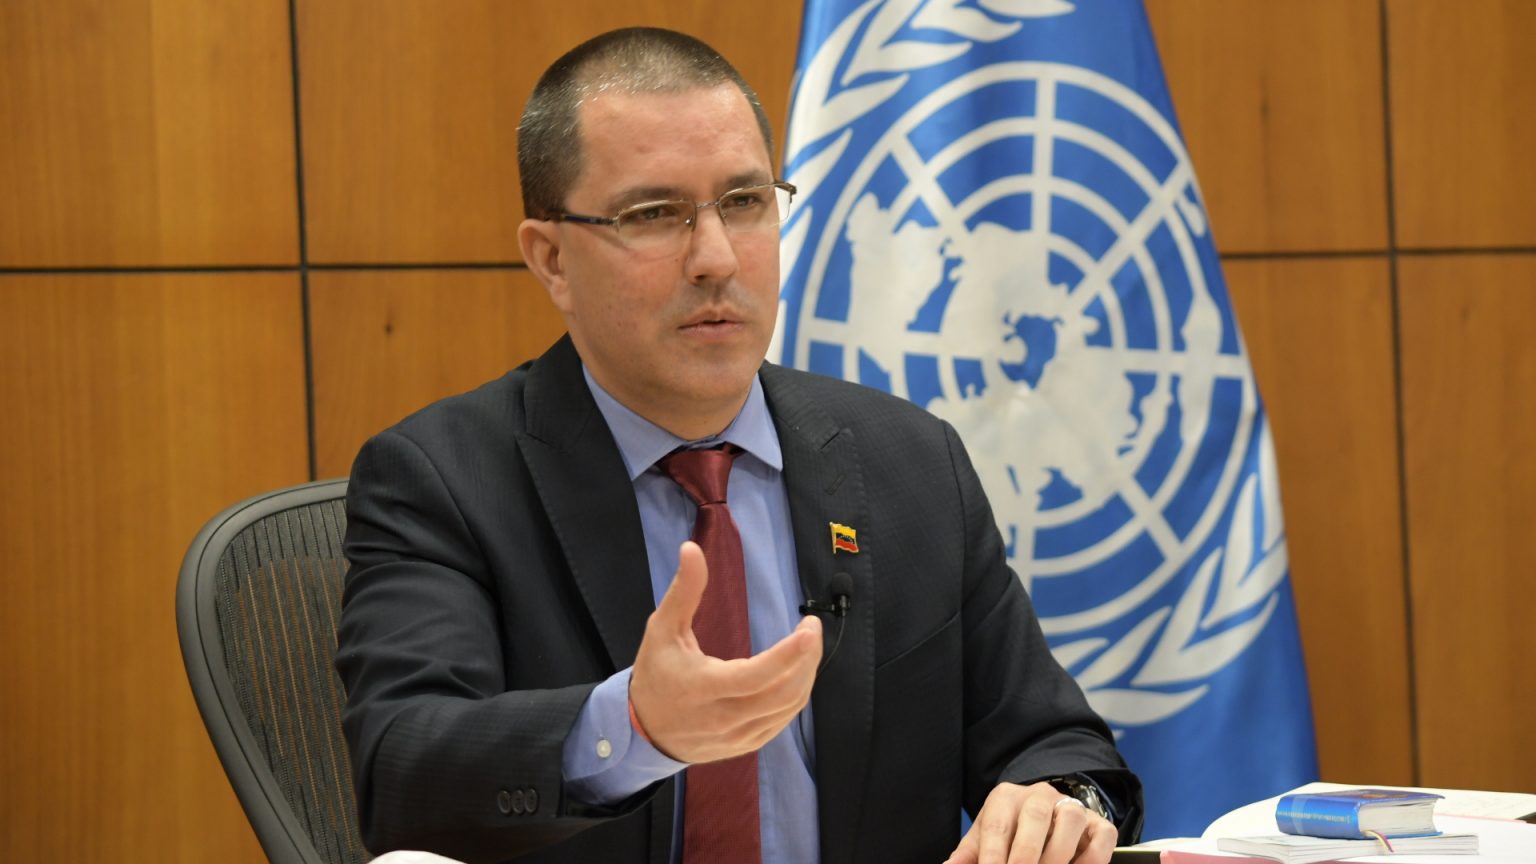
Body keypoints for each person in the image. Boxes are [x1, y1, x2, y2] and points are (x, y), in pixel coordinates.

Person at [336, 26, 1143, 864]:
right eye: (654, 215)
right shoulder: (443, 479)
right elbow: (403, 774)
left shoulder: (909, 462)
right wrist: (632, 726)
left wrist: (1062, 801)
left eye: (746, 202)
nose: (716, 258)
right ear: (552, 260)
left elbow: (1058, 745)